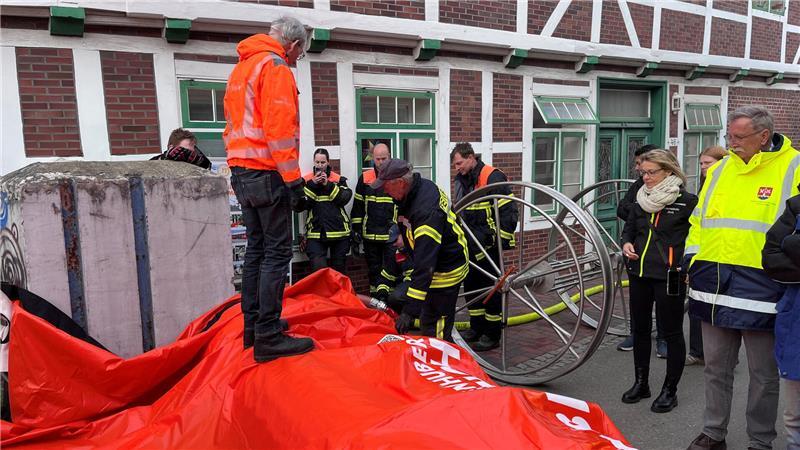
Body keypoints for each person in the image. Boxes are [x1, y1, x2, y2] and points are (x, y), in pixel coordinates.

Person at [685, 106, 800, 450]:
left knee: (764, 376)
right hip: (713, 284)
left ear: (763, 137)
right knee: (715, 369)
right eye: (728, 137)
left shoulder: (794, 167)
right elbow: (698, 220)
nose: (731, 143)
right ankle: (713, 432)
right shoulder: (720, 170)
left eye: (738, 137)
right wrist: (693, 259)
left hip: (765, 287)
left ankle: (760, 441)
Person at [223, 16, 314, 363]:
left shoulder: (243, 67)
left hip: (241, 171)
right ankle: (269, 334)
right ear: (292, 45)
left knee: (256, 251)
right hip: (267, 172)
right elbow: (278, 130)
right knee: (276, 254)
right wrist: (294, 182)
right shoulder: (275, 67)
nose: (296, 60)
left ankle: (254, 327)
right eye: (300, 53)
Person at [620, 149, 697, 413]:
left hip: (670, 275)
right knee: (640, 330)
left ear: (669, 171)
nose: (646, 178)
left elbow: (697, 239)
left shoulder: (688, 202)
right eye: (643, 173)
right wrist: (627, 243)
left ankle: (669, 390)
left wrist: (686, 265)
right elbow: (629, 228)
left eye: (652, 172)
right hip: (639, 273)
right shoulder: (641, 199)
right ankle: (641, 383)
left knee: (672, 331)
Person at [372, 159, 469, 341]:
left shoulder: (426, 212)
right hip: (436, 260)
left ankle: (441, 361)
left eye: (385, 186)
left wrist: (409, 312)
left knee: (436, 325)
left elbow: (426, 266)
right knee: (427, 317)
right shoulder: (415, 190)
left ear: (400, 183)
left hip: (446, 269)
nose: (384, 191)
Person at [451, 143, 518, 351]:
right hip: (470, 244)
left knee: (491, 289)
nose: (457, 168)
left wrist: (498, 241)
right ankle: (476, 327)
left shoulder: (492, 177)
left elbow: (509, 212)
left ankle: (492, 333)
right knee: (472, 287)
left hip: (488, 247)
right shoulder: (461, 181)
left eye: (459, 163)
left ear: (472, 157)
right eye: (454, 165)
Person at [616, 144, 668, 357]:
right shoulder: (639, 188)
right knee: (639, 300)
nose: (641, 171)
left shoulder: (680, 196)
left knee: (665, 301)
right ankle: (636, 335)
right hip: (638, 254)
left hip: (666, 259)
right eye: (639, 166)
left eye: (647, 168)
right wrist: (641, 210)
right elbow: (621, 209)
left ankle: (664, 339)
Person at [762, 189, 800, 450]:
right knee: (795, 409)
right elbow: (771, 255)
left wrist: (793, 245)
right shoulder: (796, 206)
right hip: (796, 318)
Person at [685, 145, 727, 367]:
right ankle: (698, 351)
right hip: (701, 255)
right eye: (701, 163)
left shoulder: (724, 185)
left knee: (714, 308)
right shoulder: (705, 185)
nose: (703, 167)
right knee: (697, 306)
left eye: (707, 163)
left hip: (717, 256)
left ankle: (716, 355)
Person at [351, 143, 397, 296]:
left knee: (391, 270)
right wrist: (356, 232)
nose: (381, 162)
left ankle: (390, 303)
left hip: (391, 236)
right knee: (374, 270)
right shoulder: (365, 179)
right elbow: (357, 207)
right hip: (370, 235)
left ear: (389, 157)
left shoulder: (397, 177)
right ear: (373, 159)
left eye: (384, 158)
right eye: (378, 159)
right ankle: (375, 303)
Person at [301, 148, 352, 274]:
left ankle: (339, 294)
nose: (320, 166)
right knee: (319, 272)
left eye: (322, 162)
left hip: (339, 232)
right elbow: (299, 205)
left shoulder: (338, 179)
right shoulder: (307, 180)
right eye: (317, 162)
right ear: (314, 162)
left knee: (339, 272)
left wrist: (327, 185)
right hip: (316, 233)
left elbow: (344, 198)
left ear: (328, 162)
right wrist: (312, 184)